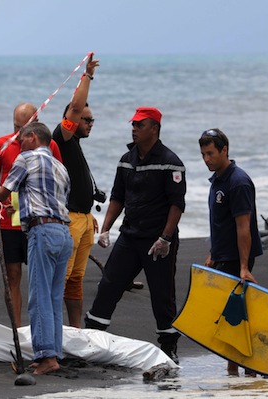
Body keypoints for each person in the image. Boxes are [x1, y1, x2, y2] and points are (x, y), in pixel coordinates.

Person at [84, 107, 186, 364]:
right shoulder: (126, 159)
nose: (134, 129)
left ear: (154, 128)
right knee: (109, 284)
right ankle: (92, 339)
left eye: (140, 125)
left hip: (157, 241)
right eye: (134, 124)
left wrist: (166, 237)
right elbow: (118, 197)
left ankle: (169, 346)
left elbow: (177, 205)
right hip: (129, 237)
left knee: (163, 295)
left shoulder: (170, 162)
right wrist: (106, 228)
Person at [0, 122, 72, 375]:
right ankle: (52, 352)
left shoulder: (25, 158)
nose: (19, 144)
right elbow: (52, 198)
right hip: (63, 232)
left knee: (39, 295)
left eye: (22, 139)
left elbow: (4, 194)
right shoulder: (61, 167)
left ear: (33, 137)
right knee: (53, 296)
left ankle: (47, 356)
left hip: (43, 231)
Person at [0, 102, 62, 327]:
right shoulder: (0, 145)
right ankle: (17, 330)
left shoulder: (51, 147)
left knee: (42, 279)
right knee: (12, 277)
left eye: (23, 129)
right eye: (15, 127)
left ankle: (42, 329)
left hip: (38, 223)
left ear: (36, 124)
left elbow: (57, 183)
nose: (19, 135)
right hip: (8, 225)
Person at [199, 128, 262, 376]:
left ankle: (246, 371)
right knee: (231, 317)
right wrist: (214, 253)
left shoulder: (238, 182)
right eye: (203, 154)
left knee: (236, 317)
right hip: (223, 256)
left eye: (211, 153)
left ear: (225, 150)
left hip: (238, 259)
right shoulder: (218, 179)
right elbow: (220, 223)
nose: (206, 159)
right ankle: (235, 372)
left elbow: (243, 227)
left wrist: (244, 267)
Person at [51, 54, 100, 328]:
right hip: (68, 219)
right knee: (62, 277)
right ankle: (54, 329)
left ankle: (75, 330)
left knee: (76, 280)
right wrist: (88, 76)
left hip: (83, 218)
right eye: (86, 119)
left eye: (93, 121)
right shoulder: (63, 137)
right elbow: (76, 106)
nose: (90, 124)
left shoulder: (76, 144)